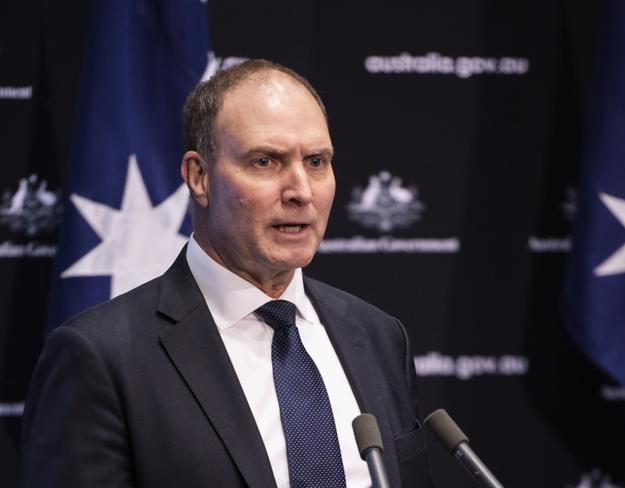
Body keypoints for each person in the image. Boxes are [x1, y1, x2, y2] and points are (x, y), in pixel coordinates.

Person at [22, 59, 429, 488]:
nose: (300, 191)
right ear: (199, 177)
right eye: (266, 162)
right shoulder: (101, 358)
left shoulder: (379, 336)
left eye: (316, 161)